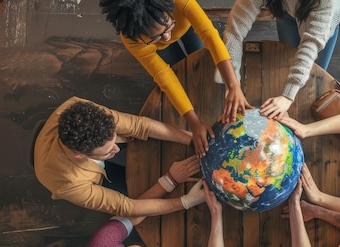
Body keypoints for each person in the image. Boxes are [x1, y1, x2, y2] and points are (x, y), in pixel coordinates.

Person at [99, 0, 252, 158]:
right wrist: (194, 123)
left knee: (199, 56)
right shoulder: (133, 38)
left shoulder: (180, 2)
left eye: (168, 26)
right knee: (178, 68)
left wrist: (233, 86)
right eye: (156, 36)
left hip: (185, 24)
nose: (166, 37)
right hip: (161, 45)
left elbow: (209, 35)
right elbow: (164, 75)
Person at [34, 96, 206, 217]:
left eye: (114, 139)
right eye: (108, 151)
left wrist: (193, 140)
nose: (116, 149)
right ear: (79, 155)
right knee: (138, 195)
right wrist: (185, 199)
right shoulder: (67, 183)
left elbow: (140, 126)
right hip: (81, 176)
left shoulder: (79, 109)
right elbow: (128, 207)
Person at [218, 0, 340, 119]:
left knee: (312, 78)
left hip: (322, 13)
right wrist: (232, 84)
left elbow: (310, 47)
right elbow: (234, 32)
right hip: (286, 11)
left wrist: (287, 96)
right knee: (287, 62)